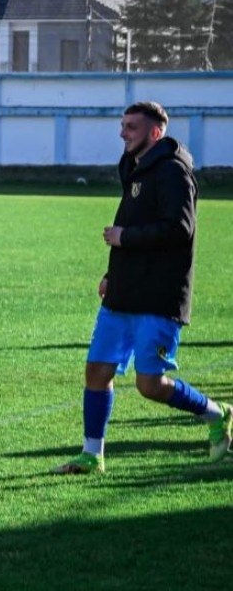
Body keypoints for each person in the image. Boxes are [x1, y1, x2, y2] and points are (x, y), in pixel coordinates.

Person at [54, 101, 231, 475]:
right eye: (122, 125)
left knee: (150, 385)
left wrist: (125, 238)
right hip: (124, 292)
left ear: (155, 132)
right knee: (97, 371)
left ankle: (218, 415)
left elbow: (179, 229)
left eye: (131, 127)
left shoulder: (173, 172)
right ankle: (92, 454)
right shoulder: (135, 168)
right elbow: (131, 221)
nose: (123, 133)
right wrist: (112, 274)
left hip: (158, 296)